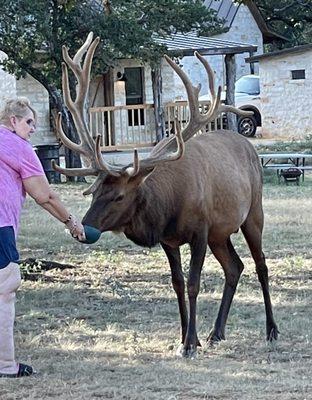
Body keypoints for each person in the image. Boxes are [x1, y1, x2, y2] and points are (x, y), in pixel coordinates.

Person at [0, 97, 85, 378]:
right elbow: (45, 196)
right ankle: (6, 364)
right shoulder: (19, 148)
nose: (33, 129)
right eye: (29, 122)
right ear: (13, 121)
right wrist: (71, 222)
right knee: (5, 287)